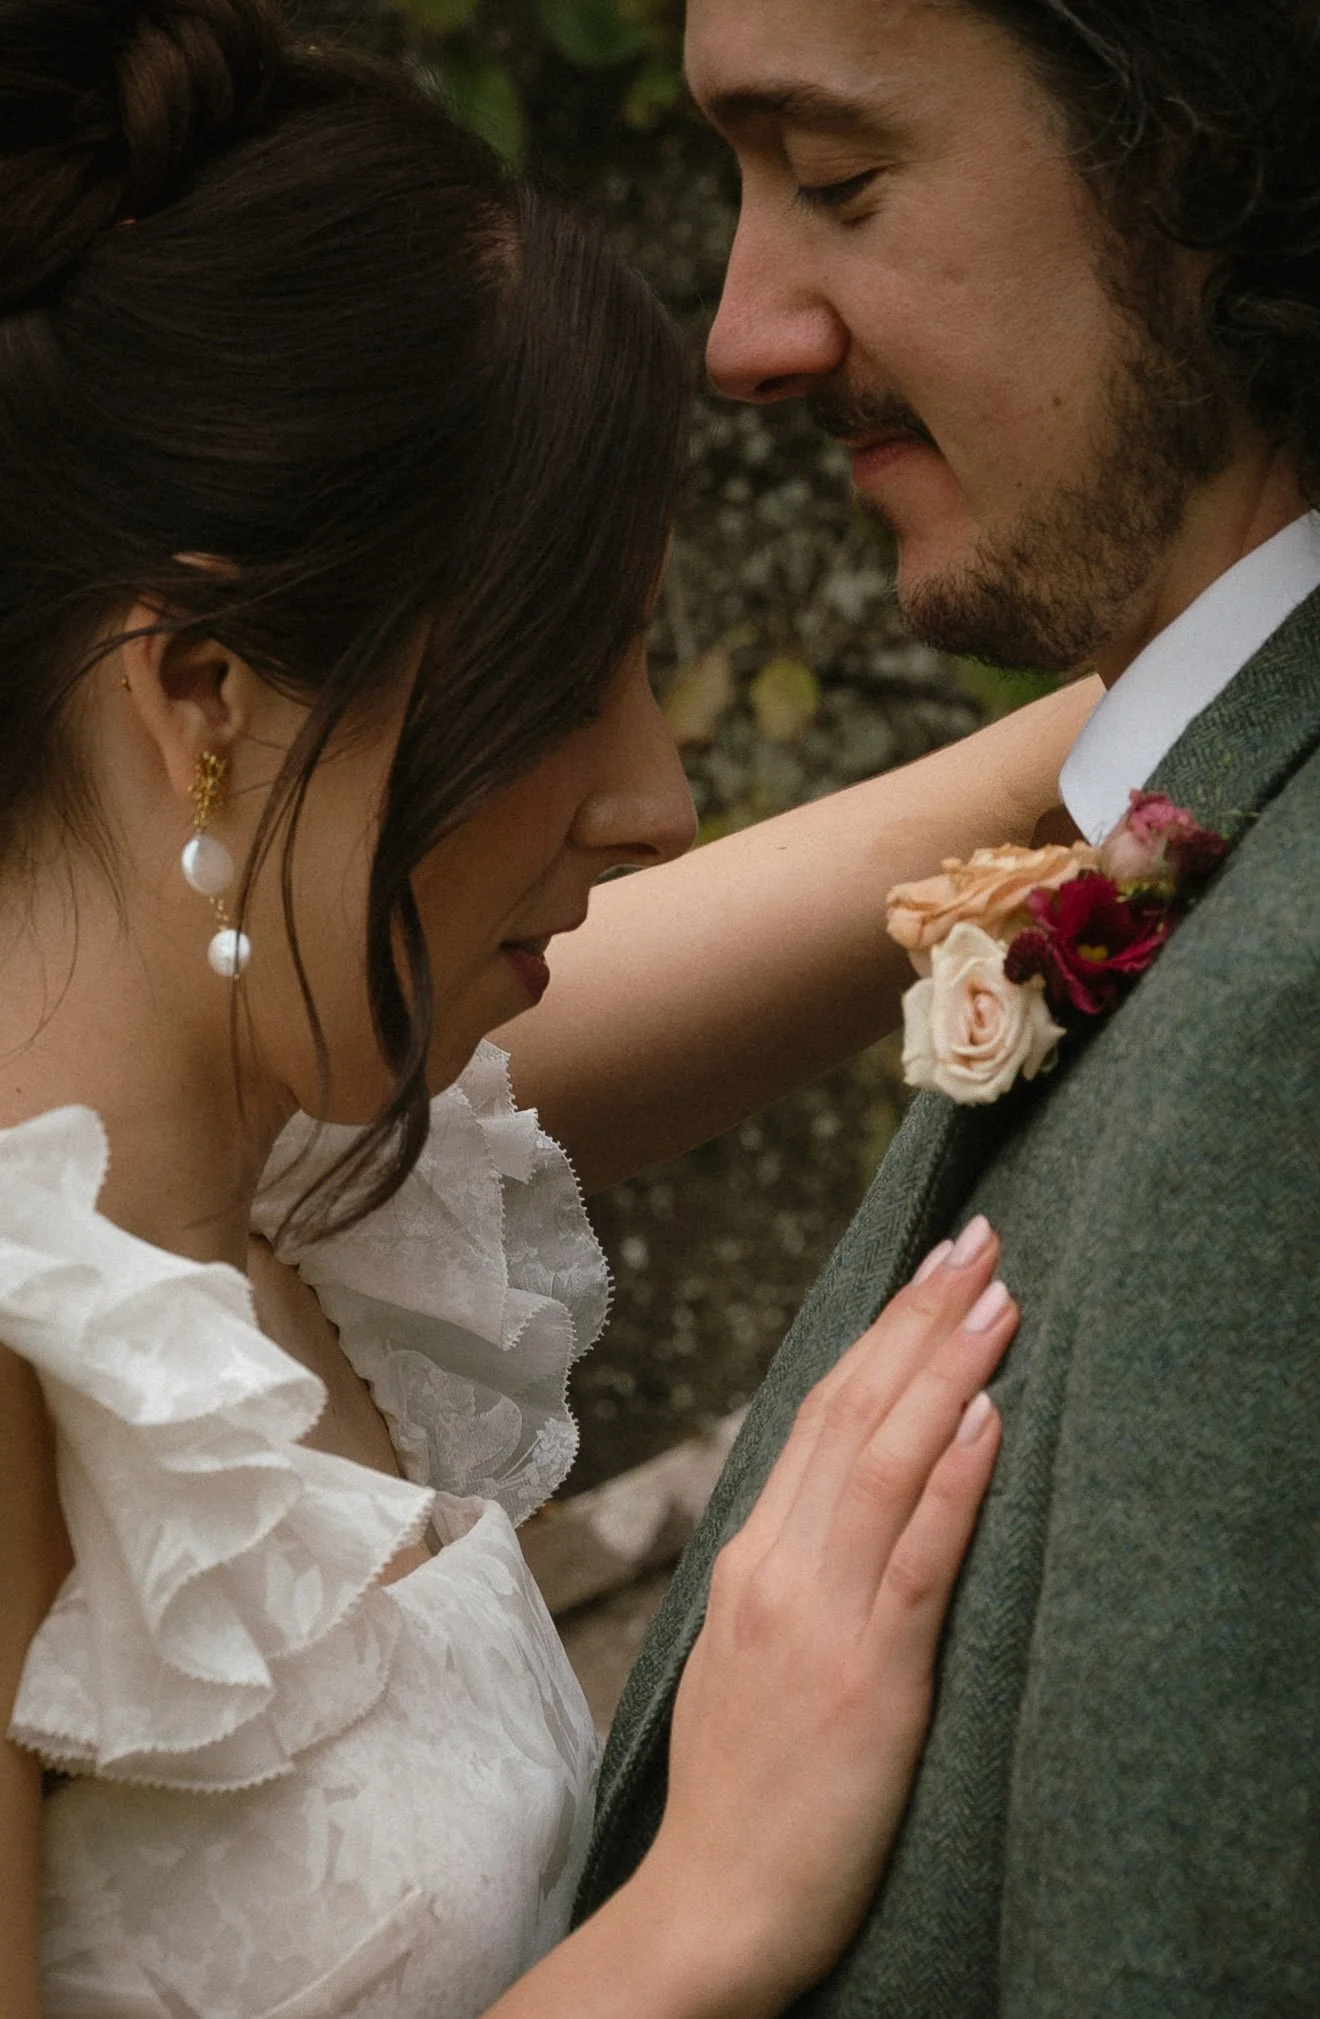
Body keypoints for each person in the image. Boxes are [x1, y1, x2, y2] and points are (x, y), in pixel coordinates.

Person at [0, 3, 1103, 2015]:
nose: (656, 795)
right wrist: (711, 1904)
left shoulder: (287, 1172)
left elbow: (866, 871)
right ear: (209, 698)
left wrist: (1230, 654)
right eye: (560, 674)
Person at [580, 0, 1320, 2010]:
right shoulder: (1224, 825)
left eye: (837, 181)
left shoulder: (1304, 1013)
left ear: (1194, 154)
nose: (743, 329)